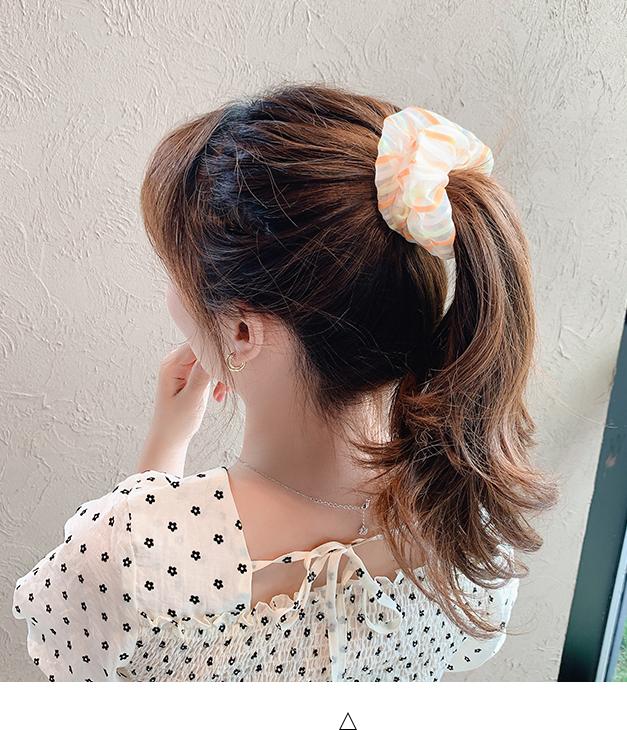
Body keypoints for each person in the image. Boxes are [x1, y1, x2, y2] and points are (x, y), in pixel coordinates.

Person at [12, 82, 558, 682]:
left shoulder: (124, 551)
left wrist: (155, 470)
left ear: (242, 331)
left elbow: (86, 674)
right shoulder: (470, 514)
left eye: (175, 273)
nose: (172, 295)